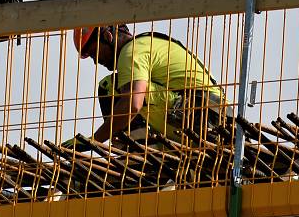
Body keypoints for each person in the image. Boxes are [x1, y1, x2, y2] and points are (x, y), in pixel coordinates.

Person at [62, 24, 226, 150]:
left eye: (94, 52)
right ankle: (145, 146)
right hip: (209, 116)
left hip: (201, 117)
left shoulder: (131, 52)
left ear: (107, 36)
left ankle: (136, 149)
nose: (96, 61)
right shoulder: (146, 45)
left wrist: (93, 141)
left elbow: (133, 104)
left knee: (110, 86)